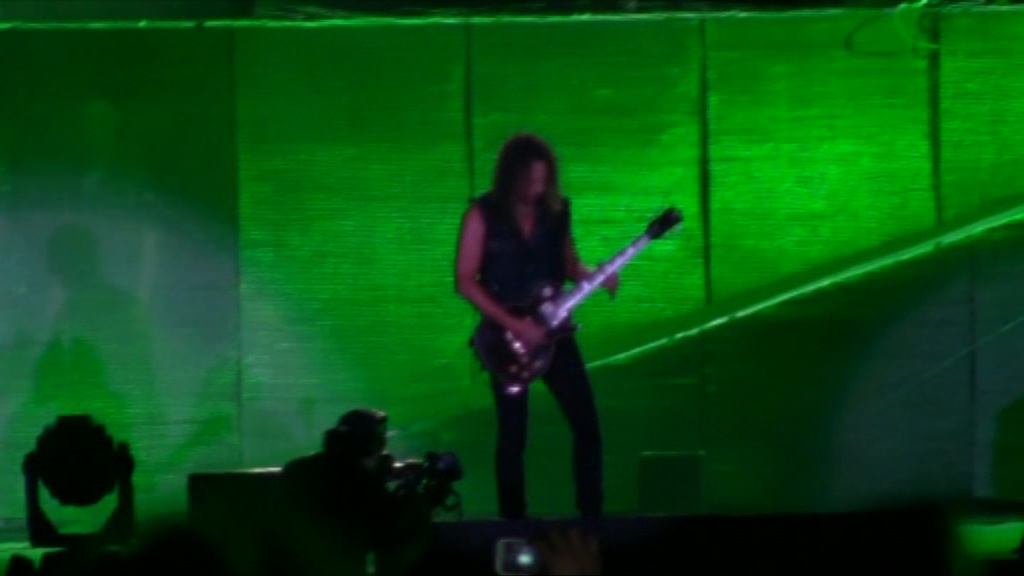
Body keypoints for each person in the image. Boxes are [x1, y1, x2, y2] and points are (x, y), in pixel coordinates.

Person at [455, 133, 617, 520]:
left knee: (587, 426)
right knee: (513, 436)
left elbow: (569, 264)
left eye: (543, 181)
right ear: (512, 177)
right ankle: (512, 523)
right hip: (504, 340)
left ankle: (591, 519)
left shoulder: (556, 212)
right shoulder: (482, 213)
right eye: (529, 181)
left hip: (554, 333)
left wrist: (594, 275)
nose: (537, 189)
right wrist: (514, 323)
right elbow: (464, 280)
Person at [277, 409, 431, 576]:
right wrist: (412, 496)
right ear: (368, 444)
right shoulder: (353, 483)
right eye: (380, 438)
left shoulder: (304, 468)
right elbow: (382, 531)